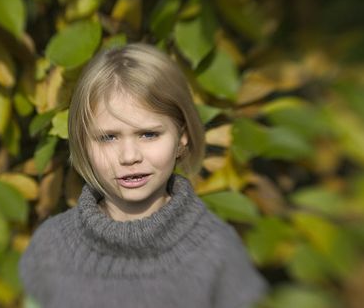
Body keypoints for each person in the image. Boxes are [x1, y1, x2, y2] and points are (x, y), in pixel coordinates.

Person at [19, 43, 267, 307]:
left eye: (148, 134)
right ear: (83, 143)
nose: (129, 156)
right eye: (108, 137)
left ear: (181, 137)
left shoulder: (219, 251)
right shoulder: (51, 246)